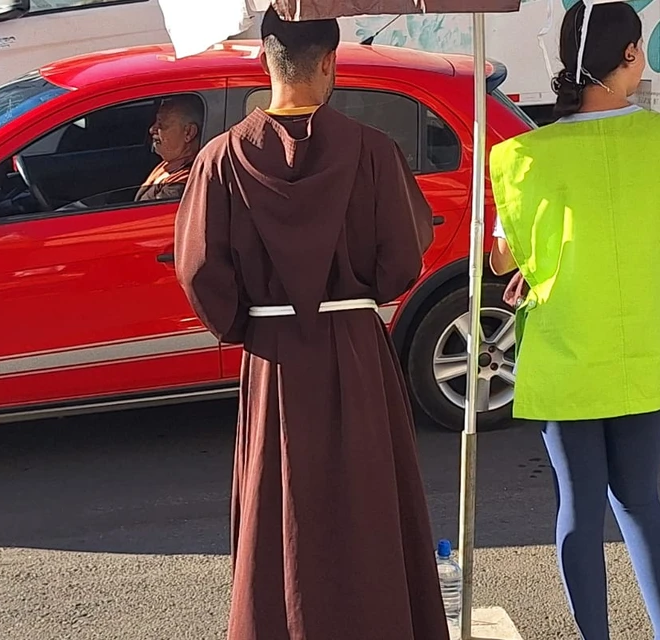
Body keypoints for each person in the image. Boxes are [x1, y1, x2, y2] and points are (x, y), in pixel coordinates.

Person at [173, 9, 447, 640]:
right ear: (330, 61)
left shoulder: (220, 159)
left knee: (282, 508)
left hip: (273, 356)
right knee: (368, 505)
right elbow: (401, 260)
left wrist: (245, 322)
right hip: (354, 347)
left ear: (263, 60)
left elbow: (200, 270)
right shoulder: (373, 150)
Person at [487, 3, 660, 640]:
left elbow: (503, 257)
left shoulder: (524, 156)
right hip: (645, 344)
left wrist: (539, 261)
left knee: (579, 507)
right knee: (640, 499)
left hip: (564, 351)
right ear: (630, 55)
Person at [136, 96, 202, 202]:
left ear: (189, 132)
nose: (152, 129)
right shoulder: (172, 163)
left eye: (161, 124)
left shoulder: (181, 184)